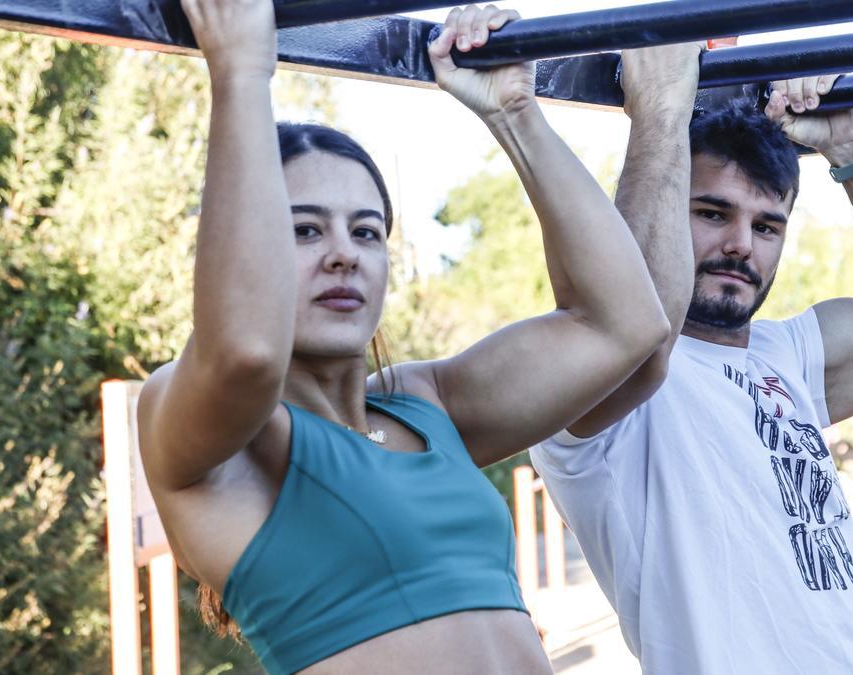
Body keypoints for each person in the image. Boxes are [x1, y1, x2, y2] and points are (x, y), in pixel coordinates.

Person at [136, 2, 669, 673]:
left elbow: (626, 325)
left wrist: (514, 114)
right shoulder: (209, 439)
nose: (343, 254)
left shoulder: (429, 402)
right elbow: (246, 352)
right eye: (303, 229)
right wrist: (241, 69)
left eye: (365, 231)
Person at [531, 45, 853, 673]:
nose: (741, 245)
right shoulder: (603, 386)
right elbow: (625, 323)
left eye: (767, 226)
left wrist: (852, 148)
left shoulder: (787, 356)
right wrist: (659, 114)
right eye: (711, 213)